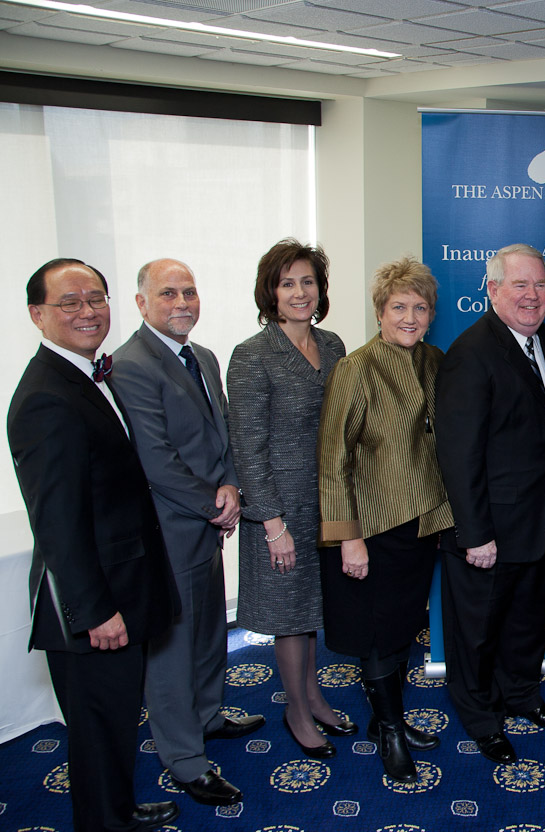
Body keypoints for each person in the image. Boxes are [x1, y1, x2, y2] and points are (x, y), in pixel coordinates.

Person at [9, 258, 180, 832]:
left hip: (123, 587)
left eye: (96, 298)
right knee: (97, 727)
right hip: (92, 604)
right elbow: (56, 523)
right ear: (37, 315)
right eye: (70, 302)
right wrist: (95, 611)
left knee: (113, 723)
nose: (88, 311)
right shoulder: (44, 398)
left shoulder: (85, 374)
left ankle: (119, 808)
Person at [112, 258, 264, 808]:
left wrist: (229, 488)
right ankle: (183, 758)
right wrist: (212, 504)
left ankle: (207, 715)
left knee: (207, 631)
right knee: (173, 647)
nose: (182, 303)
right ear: (142, 303)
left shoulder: (202, 356)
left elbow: (220, 433)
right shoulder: (128, 364)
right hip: (169, 528)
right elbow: (155, 459)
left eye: (190, 292)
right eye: (169, 293)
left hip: (207, 519)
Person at [318, 256, 450, 783]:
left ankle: (384, 719)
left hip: (420, 525)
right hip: (370, 527)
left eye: (420, 307)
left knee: (398, 627)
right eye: (399, 307)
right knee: (374, 633)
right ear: (379, 311)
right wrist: (348, 538)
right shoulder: (355, 368)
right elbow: (333, 460)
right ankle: (391, 732)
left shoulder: (435, 361)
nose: (410, 317)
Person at [436, 244, 545, 767]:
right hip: (488, 528)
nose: (533, 296)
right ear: (492, 290)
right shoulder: (470, 353)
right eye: (520, 285)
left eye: (540, 285)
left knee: (526, 622)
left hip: (538, 523)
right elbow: (458, 452)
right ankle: (480, 718)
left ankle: (520, 696)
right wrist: (475, 533)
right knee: (476, 632)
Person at [228, 239, 351, 759]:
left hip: (327, 503)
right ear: (270, 293)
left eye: (308, 281)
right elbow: (247, 448)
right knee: (287, 615)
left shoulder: (335, 345)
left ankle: (314, 694)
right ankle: (297, 710)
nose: (300, 292)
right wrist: (272, 523)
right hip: (278, 508)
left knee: (312, 610)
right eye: (287, 283)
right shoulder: (252, 355)